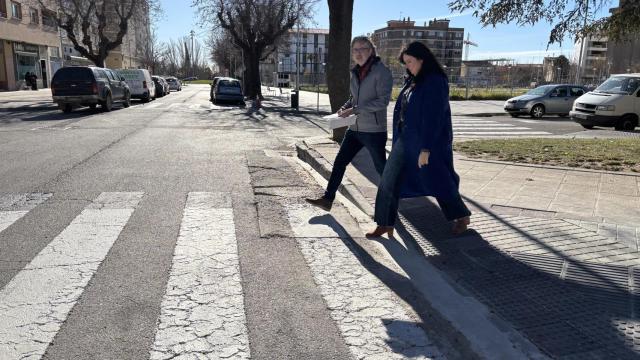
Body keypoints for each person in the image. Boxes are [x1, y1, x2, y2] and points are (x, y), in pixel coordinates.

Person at [366, 41, 471, 237]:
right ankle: (384, 223)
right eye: (405, 63)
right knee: (388, 179)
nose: (407, 66)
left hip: (428, 143)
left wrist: (426, 149)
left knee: (439, 180)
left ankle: (461, 215)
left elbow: (435, 117)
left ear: (422, 60)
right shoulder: (412, 80)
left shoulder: (435, 81)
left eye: (410, 62)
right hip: (405, 140)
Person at [306, 36, 393, 211]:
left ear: (371, 51)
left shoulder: (381, 72)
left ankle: (391, 204)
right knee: (339, 162)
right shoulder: (355, 72)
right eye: (355, 50)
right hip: (354, 129)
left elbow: (382, 101)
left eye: (363, 49)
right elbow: (354, 98)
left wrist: (354, 110)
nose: (359, 53)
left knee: (382, 169)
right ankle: (327, 199)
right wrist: (344, 108)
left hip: (374, 130)